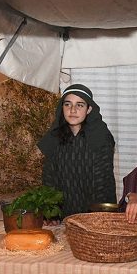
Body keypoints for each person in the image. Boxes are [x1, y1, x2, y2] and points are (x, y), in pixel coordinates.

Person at [38, 84, 116, 218]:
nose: (72, 110)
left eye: (79, 105)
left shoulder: (100, 137)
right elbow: (49, 179)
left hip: (95, 216)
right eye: (68, 104)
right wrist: (51, 213)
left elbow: (103, 182)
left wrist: (97, 218)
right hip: (62, 216)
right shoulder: (54, 138)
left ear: (89, 109)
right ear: (62, 108)